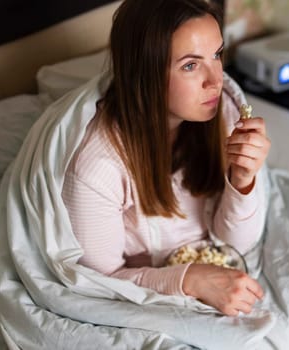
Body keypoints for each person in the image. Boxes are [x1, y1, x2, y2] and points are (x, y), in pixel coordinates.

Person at [61, 0, 271, 317]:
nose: (216, 80)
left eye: (216, 55)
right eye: (190, 65)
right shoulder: (98, 167)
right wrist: (191, 280)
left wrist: (242, 180)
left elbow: (235, 245)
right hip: (147, 289)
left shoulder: (224, 112)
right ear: (144, 74)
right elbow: (98, 281)